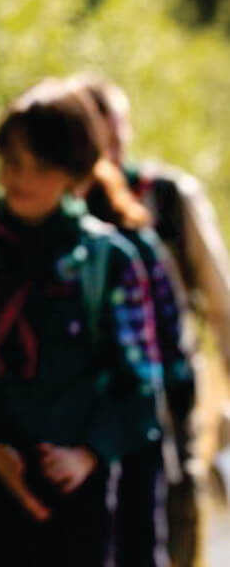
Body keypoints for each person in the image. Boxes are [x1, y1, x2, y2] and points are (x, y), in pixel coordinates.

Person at [0, 78, 162, 567]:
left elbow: (141, 387)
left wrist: (89, 453)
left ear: (77, 175)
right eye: (10, 162)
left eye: (40, 166)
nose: (19, 178)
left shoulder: (108, 262)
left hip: (80, 504)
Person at [79, 74, 230, 567]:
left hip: (171, 397)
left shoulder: (169, 196)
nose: (113, 144)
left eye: (118, 129)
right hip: (84, 408)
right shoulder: (62, 205)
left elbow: (220, 300)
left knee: (175, 516)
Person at [78, 146, 195, 567]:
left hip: (130, 444)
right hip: (62, 463)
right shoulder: (10, 247)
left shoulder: (129, 250)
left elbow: (158, 362)